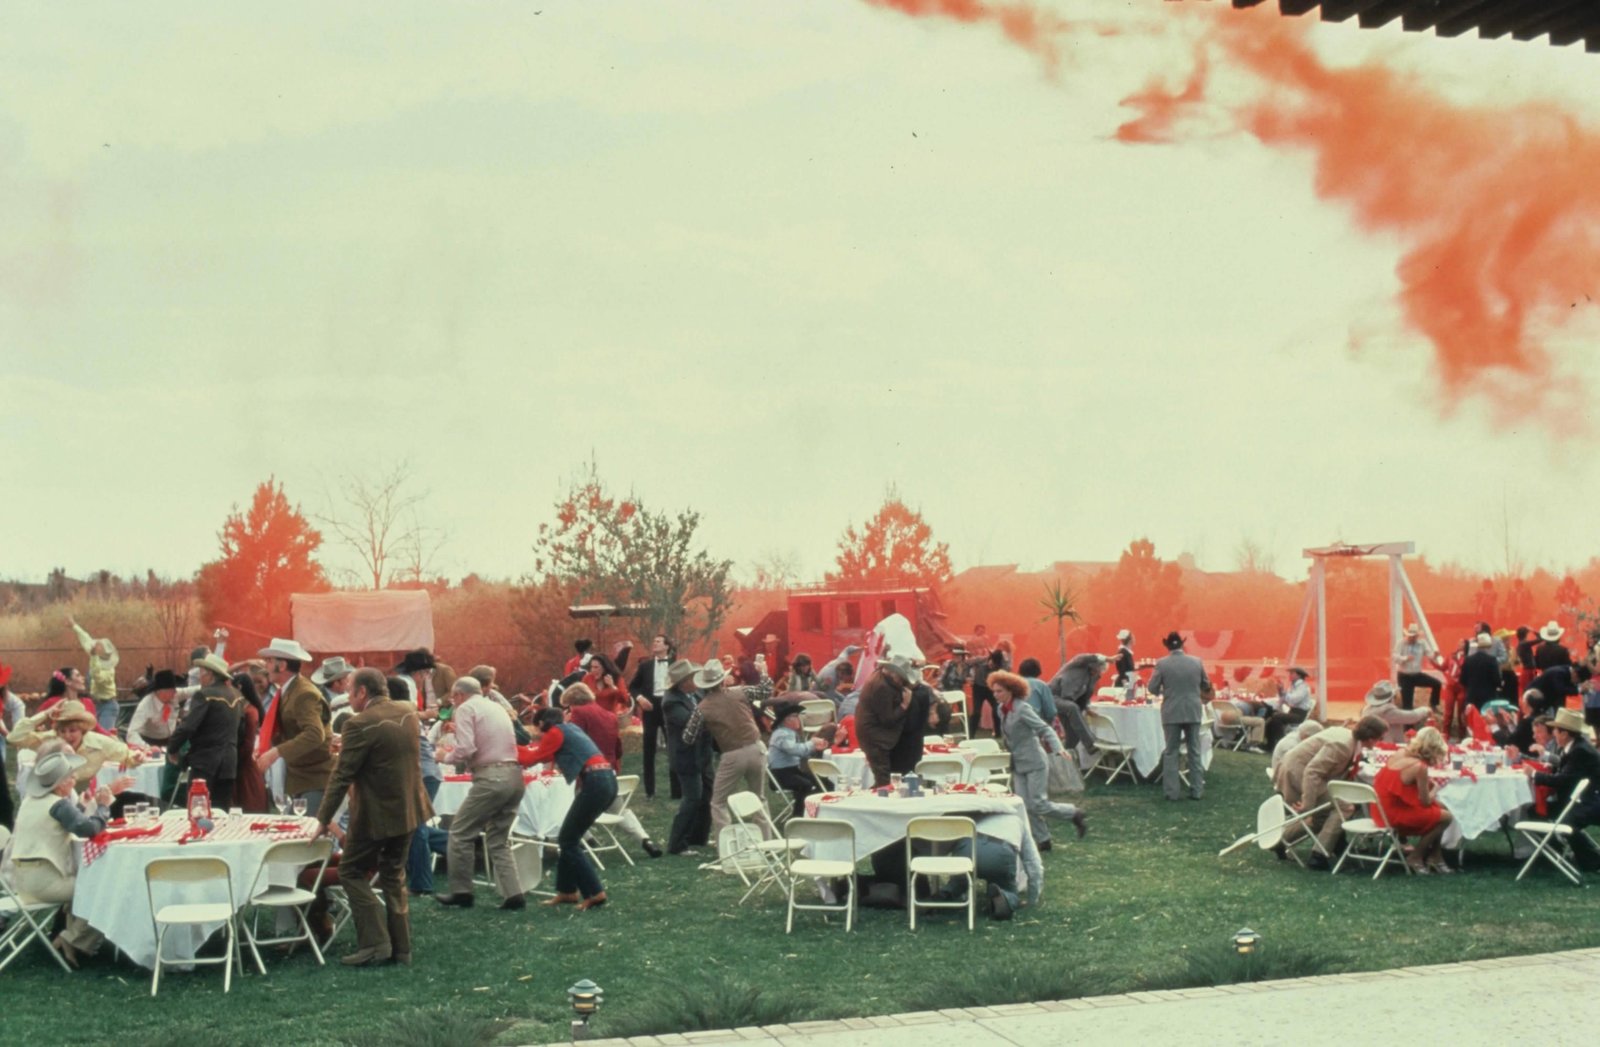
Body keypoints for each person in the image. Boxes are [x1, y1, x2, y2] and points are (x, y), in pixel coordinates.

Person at [313, 668, 431, 965]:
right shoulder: (408, 710)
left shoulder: (359, 723)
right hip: (410, 808)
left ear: (362, 692)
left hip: (377, 813)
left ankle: (376, 944)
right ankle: (401, 948)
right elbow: (384, 756)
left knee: (350, 871)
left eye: (351, 690)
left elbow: (342, 776)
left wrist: (322, 818)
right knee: (393, 874)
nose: (348, 696)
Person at [9, 744, 126, 968]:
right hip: (44, 883)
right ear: (61, 783)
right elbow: (90, 830)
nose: (74, 779)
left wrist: (82, 807)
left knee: (88, 883)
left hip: (23, 881)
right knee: (104, 888)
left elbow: (70, 823)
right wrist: (103, 807)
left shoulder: (32, 802)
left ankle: (71, 937)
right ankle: (73, 940)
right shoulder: (57, 804)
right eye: (71, 776)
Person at [436, 677, 526, 909]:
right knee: (498, 839)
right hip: (514, 775)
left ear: (458, 695)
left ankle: (462, 891)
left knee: (460, 832)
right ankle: (513, 893)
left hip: (490, 776)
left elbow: (466, 748)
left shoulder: (466, 708)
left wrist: (444, 756)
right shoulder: (495, 706)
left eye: (452, 698)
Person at [516, 708, 617, 909]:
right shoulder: (570, 729)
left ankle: (595, 892)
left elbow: (530, 760)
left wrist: (508, 748)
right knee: (568, 837)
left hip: (596, 781)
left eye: (539, 729)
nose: (539, 734)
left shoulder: (555, 732)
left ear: (543, 723)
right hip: (606, 780)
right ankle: (567, 891)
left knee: (568, 841)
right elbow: (544, 755)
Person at [1275, 715, 1389, 868]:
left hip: (1297, 771)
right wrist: (1308, 804)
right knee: (1345, 807)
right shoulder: (1343, 746)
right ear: (1370, 737)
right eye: (1379, 738)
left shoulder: (1347, 738)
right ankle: (1319, 855)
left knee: (1323, 816)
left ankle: (1280, 840)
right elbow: (1312, 772)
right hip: (1297, 775)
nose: (1379, 742)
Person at [563, 683, 661, 858]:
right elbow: (618, 748)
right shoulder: (610, 716)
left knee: (566, 805)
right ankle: (645, 840)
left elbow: (573, 739)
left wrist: (564, 724)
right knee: (620, 810)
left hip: (588, 772)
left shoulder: (579, 713)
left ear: (573, 702)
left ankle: (588, 839)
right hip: (609, 769)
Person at [991, 670, 1085, 849]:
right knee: (1025, 805)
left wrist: (1058, 748)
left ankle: (1073, 813)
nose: (995, 695)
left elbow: (1045, 729)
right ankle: (1044, 840)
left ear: (1011, 691)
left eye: (999, 691)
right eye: (994, 691)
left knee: (1039, 804)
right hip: (1018, 763)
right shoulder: (1001, 710)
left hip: (1034, 761)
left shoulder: (1023, 709)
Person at [681, 660, 767, 835]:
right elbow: (765, 691)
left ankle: (726, 844)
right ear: (723, 679)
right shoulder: (740, 692)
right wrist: (763, 672)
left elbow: (688, 737)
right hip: (756, 748)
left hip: (732, 755)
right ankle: (767, 841)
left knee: (718, 802)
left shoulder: (702, 708)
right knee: (759, 798)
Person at [254, 638, 334, 815]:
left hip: (315, 780)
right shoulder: (291, 690)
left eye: (269, 661)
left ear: (282, 665)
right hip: (303, 779)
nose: (265, 666)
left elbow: (314, 734)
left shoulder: (303, 693)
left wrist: (276, 752)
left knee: (306, 836)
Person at [168, 653, 247, 809]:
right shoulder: (237, 696)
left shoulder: (204, 695)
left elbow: (189, 726)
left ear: (210, 674)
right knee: (221, 811)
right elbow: (241, 731)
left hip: (205, 762)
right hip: (229, 763)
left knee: (198, 810)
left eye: (201, 672)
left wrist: (172, 747)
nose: (200, 676)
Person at [1372, 726, 1454, 874]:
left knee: (1442, 808)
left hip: (1381, 809)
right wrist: (1435, 789)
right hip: (1394, 814)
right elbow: (1425, 802)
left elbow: (1404, 785)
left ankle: (1436, 856)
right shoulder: (1419, 766)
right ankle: (1416, 856)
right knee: (1446, 817)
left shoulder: (1400, 753)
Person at [1526, 708, 1600, 871]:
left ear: (1565, 733)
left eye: (1556, 731)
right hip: (1581, 799)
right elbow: (1567, 768)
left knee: (1568, 822)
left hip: (1591, 802)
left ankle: (1592, 860)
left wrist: (1535, 774)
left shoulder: (1580, 751)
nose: (1554, 735)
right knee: (1536, 811)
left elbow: (1563, 780)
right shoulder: (1575, 747)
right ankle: (1556, 849)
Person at [1148, 631, 1211, 802]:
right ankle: (1196, 790)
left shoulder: (1162, 664)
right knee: (1194, 751)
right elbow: (1206, 684)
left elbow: (1152, 688)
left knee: (1171, 752)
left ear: (1167, 646)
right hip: (1192, 710)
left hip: (1171, 711)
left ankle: (1172, 793)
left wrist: (1167, 690)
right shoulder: (1196, 662)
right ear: (1182, 645)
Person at [662, 659, 712, 856]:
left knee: (707, 795)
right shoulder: (671, 701)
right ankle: (677, 844)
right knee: (692, 798)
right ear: (683, 682)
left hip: (703, 753)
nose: (696, 680)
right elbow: (689, 722)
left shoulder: (697, 693)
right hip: (686, 756)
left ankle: (698, 838)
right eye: (692, 678)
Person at [627, 634, 675, 800]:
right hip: (650, 707)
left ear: (667, 646)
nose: (654, 643)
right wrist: (640, 699)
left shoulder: (676, 665)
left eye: (658, 641)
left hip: (669, 707)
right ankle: (650, 791)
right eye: (654, 640)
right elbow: (632, 687)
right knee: (649, 749)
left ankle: (676, 791)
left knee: (673, 748)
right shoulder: (645, 666)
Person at [855, 657, 915, 788]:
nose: (902, 681)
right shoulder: (882, 687)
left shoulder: (878, 676)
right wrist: (905, 705)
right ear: (893, 673)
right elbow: (888, 719)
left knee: (882, 778)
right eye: (901, 677)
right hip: (876, 738)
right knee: (883, 780)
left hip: (871, 734)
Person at [766, 702, 826, 817]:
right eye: (796, 716)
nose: (799, 718)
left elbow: (800, 752)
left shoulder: (788, 733)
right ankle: (798, 816)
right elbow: (794, 750)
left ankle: (817, 813)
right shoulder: (782, 734)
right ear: (786, 719)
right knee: (806, 785)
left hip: (792, 771)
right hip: (781, 775)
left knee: (822, 781)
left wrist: (815, 748)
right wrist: (812, 743)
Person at [67, 614, 120, 733]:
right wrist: (74, 625)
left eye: (98, 647)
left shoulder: (109, 670)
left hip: (108, 706)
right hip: (94, 704)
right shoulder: (96, 657)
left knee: (104, 737)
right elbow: (86, 638)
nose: (95, 646)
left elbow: (98, 677)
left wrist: (94, 656)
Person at [126, 669, 187, 747]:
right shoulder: (146, 704)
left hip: (170, 740)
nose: (175, 693)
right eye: (172, 691)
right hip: (148, 741)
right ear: (163, 692)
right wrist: (146, 747)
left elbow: (192, 690)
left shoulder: (175, 695)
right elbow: (131, 733)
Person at [1360, 680, 1432, 742]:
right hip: (1386, 746)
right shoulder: (1387, 711)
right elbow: (1412, 717)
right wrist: (1425, 710)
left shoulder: (1367, 709)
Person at [1263, 667, 1315, 751]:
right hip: (1293, 712)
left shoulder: (1303, 687)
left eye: (1292, 673)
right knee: (1273, 717)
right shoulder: (1293, 686)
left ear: (1298, 675)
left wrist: (1283, 692)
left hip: (1299, 714)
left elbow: (1292, 700)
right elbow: (1285, 699)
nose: (1290, 675)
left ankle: (1278, 744)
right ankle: (1272, 745)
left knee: (1277, 717)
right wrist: (1281, 690)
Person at [1393, 624, 1442, 711]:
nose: (1411, 638)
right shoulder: (1401, 643)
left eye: (1414, 637)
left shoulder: (1422, 643)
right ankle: (1408, 721)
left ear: (1417, 636)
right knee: (1407, 705)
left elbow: (1429, 654)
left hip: (1417, 674)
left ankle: (1433, 704)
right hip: (1405, 676)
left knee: (1437, 684)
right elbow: (1395, 657)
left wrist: (1434, 655)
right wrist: (1405, 658)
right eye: (1410, 637)